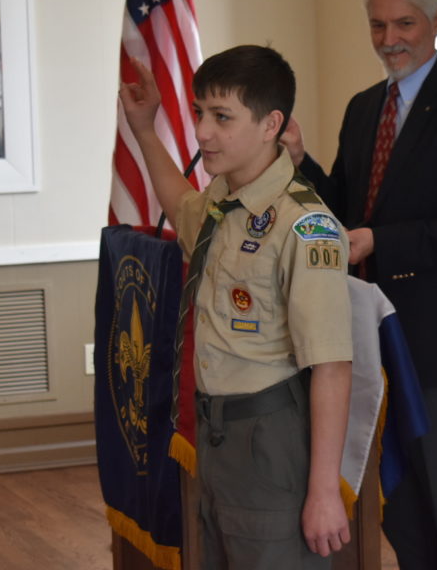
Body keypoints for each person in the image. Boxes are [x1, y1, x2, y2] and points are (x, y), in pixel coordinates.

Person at [282, 0, 437, 570]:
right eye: (378, 25)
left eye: (404, 23)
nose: (389, 40)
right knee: (401, 508)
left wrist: (379, 241)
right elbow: (347, 214)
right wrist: (301, 164)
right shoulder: (363, 109)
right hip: (372, 337)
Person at [118, 45, 354, 569]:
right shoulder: (221, 202)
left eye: (222, 117)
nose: (202, 131)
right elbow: (179, 203)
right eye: (199, 112)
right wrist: (143, 129)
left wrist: (322, 493)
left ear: (271, 124)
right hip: (216, 430)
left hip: (269, 433)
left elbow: (333, 367)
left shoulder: (304, 224)